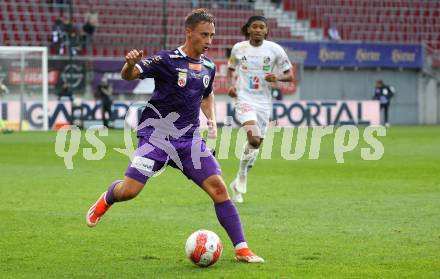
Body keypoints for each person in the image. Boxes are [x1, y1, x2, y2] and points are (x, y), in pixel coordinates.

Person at [86, 9, 264, 264]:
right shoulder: (166, 60)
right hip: (155, 137)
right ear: (189, 32)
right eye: (204, 35)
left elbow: (207, 93)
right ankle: (107, 198)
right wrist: (129, 63)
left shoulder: (209, 66)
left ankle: (242, 248)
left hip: (189, 139)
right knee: (129, 192)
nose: (209, 41)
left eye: (212, 35)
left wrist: (210, 117)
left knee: (219, 189)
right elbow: (131, 74)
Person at [227, 15, 293, 203]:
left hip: (264, 102)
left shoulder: (275, 50)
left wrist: (277, 77)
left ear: (266, 31)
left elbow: (289, 75)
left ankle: (239, 178)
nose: (257, 30)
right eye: (254, 27)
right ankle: (241, 175)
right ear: (248, 29)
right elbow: (231, 69)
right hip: (244, 98)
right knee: (253, 138)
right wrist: (232, 85)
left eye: (261, 27)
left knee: (256, 145)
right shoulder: (239, 48)